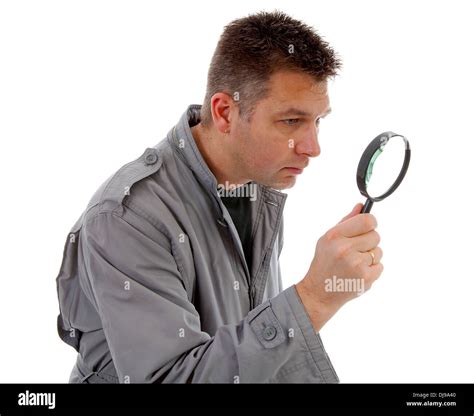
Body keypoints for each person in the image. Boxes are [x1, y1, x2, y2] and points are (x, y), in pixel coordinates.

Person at [56, 10, 383, 383]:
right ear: (225, 112)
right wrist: (316, 297)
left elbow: (244, 347)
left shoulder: (255, 182)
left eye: (318, 120)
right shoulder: (126, 219)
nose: (312, 147)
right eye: (291, 121)